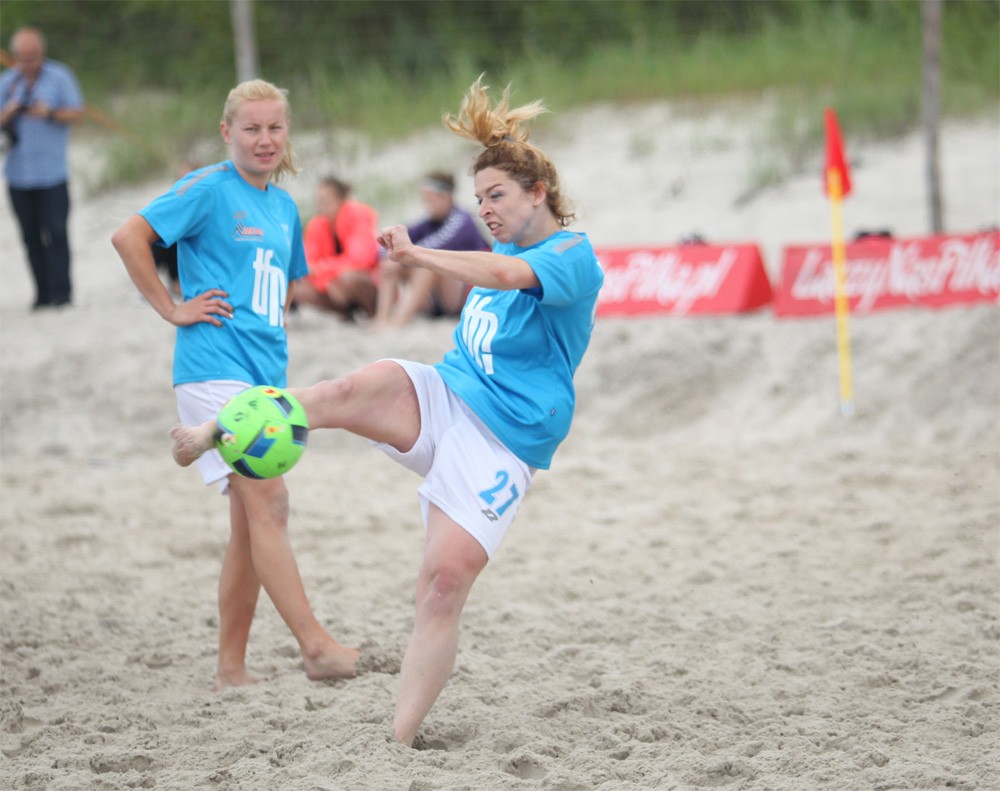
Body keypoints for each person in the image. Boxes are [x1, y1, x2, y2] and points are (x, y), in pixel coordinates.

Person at [170, 75, 605, 744]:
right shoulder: (502, 244)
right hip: (446, 395)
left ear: (538, 193)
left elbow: (503, 276)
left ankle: (399, 741)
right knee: (352, 387)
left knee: (442, 585)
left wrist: (415, 254)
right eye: (479, 197)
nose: (485, 209)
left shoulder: (570, 255)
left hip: (505, 442)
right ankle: (215, 425)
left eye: (497, 197)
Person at [111, 79, 358, 690]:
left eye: (275, 128)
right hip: (212, 364)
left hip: (263, 376)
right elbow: (128, 236)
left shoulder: (282, 206)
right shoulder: (208, 188)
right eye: (252, 128)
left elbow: (292, 283)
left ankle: (231, 670)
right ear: (228, 132)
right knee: (270, 502)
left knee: (250, 525)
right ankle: (316, 646)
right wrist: (172, 307)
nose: (265, 139)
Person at [1, 26, 84, 310]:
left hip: (52, 174)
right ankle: (42, 294)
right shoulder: (7, 83)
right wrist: (8, 113)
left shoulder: (60, 77)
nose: (27, 62)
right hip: (18, 174)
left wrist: (48, 112)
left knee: (58, 233)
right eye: (22, 57)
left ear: (42, 53)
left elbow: (77, 112)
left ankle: (63, 293)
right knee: (30, 237)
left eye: (32, 56)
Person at [374, 170, 489, 327]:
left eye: (430, 200)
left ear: (446, 196)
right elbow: (388, 245)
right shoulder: (428, 223)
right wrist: (390, 256)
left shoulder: (461, 220)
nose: (427, 206)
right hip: (439, 295)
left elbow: (430, 248)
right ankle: (381, 320)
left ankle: (399, 322)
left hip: (470, 292)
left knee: (426, 263)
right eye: (425, 201)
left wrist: (399, 258)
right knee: (390, 265)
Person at [293, 176, 380, 320]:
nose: (321, 203)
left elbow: (361, 260)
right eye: (319, 199)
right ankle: (346, 315)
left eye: (326, 198)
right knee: (297, 289)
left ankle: (373, 314)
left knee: (348, 277)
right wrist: (327, 282)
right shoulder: (316, 225)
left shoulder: (358, 216)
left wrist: (325, 271)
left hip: (368, 280)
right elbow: (307, 265)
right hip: (334, 286)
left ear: (341, 199)